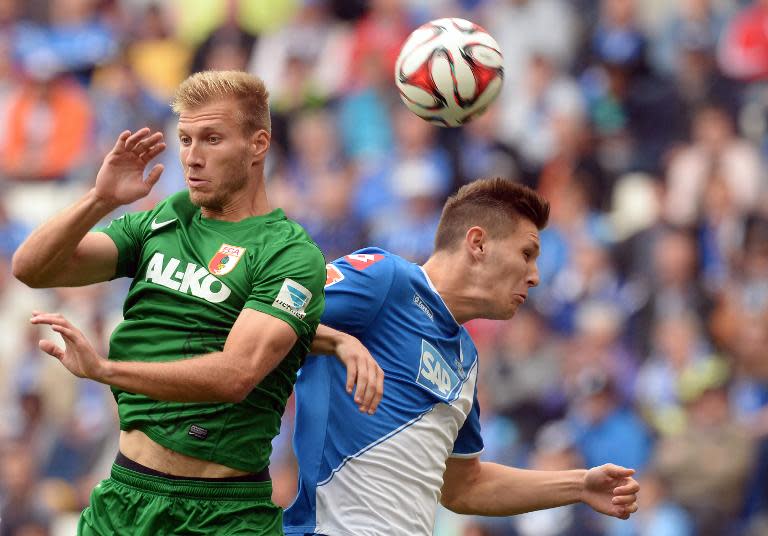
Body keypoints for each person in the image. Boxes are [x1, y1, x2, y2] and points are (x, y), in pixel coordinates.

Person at [12, 70, 381, 535]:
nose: (192, 157)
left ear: (258, 144)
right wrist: (99, 198)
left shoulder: (288, 253)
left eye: (211, 139)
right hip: (125, 495)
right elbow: (33, 268)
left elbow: (235, 374)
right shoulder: (167, 218)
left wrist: (105, 370)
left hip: (222, 512)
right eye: (185, 139)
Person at [284, 178, 640, 535]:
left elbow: (464, 486)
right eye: (526, 254)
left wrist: (578, 486)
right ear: (478, 243)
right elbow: (267, 316)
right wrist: (339, 342)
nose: (535, 277)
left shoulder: (466, 360)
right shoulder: (385, 279)